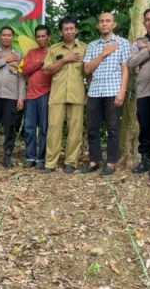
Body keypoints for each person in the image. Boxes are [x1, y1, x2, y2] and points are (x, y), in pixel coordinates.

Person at [82, 12, 130, 175]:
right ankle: (94, 161)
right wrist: (103, 53)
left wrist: (122, 91)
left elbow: (125, 68)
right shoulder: (92, 46)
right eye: (101, 21)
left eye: (107, 21)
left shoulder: (122, 43)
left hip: (113, 91)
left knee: (113, 128)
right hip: (94, 92)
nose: (104, 24)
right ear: (97, 25)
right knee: (92, 128)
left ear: (114, 24)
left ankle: (111, 162)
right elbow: (87, 69)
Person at [42, 16, 88, 174]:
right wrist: (65, 60)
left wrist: (88, 93)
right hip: (57, 95)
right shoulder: (54, 49)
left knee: (75, 130)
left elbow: (88, 72)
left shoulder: (84, 48)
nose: (69, 32)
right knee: (54, 129)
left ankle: (70, 162)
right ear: (61, 31)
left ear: (76, 30)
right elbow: (47, 70)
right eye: (65, 29)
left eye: (71, 28)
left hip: (77, 94)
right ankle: (50, 163)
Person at [127, 9, 150, 174]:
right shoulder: (138, 42)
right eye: (147, 20)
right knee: (145, 126)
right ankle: (145, 160)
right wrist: (149, 49)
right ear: (143, 23)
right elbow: (131, 62)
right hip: (143, 91)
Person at [0, 26, 26, 167]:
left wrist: (21, 97)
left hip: (11, 97)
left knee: (10, 127)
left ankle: (7, 155)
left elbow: (20, 77)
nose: (6, 37)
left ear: (12, 38)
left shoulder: (18, 55)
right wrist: (5, 60)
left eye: (9, 35)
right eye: (4, 35)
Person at [22, 25, 52, 169]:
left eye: (43, 36)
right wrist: (39, 63)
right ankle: (30, 156)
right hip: (31, 95)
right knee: (29, 128)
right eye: (38, 36)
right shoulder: (31, 52)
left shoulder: (53, 52)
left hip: (46, 93)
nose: (40, 38)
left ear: (48, 37)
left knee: (45, 128)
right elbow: (25, 70)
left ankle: (41, 158)